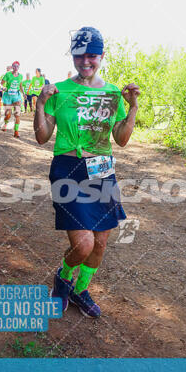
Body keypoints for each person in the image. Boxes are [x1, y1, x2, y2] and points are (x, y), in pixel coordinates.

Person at [34, 26, 140, 318]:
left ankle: (80, 289)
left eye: (92, 56)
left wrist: (132, 108)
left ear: (102, 56)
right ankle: (63, 277)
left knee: (101, 242)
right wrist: (40, 104)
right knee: (83, 245)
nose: (85, 62)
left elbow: (121, 138)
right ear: (72, 56)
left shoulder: (111, 94)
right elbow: (42, 137)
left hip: (102, 171)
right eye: (79, 56)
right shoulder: (60, 90)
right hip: (68, 170)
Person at [1, 61, 24, 137]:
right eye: (14, 66)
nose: (16, 67)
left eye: (17, 66)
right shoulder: (8, 74)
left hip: (16, 96)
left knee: (17, 114)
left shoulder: (20, 76)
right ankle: (5, 123)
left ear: (19, 67)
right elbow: (1, 83)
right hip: (8, 96)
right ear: (12, 66)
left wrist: (23, 94)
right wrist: (3, 87)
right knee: (8, 114)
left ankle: (16, 131)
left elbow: (20, 86)